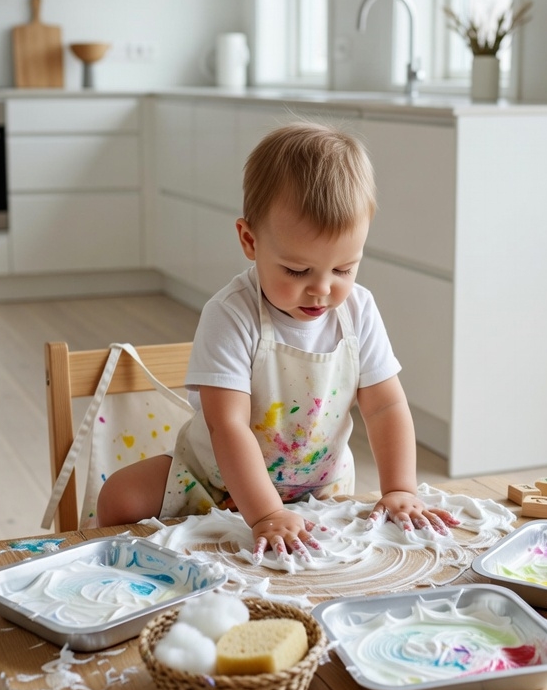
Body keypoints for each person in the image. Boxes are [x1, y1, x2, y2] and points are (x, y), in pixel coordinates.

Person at [97, 123, 458, 558]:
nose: (322, 289)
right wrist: (265, 512)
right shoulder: (230, 314)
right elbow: (226, 424)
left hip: (318, 488)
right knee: (118, 497)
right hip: (215, 479)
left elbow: (385, 406)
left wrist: (399, 487)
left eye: (343, 269)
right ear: (250, 241)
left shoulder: (358, 312)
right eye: (296, 270)